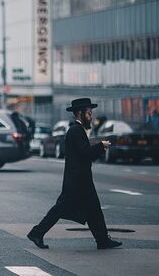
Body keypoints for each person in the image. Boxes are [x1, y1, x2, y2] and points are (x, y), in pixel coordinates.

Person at [27, 98, 122, 250]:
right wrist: (101, 146)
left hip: (80, 180)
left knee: (94, 210)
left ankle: (102, 240)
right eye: (89, 113)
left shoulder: (78, 130)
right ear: (80, 113)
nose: (91, 115)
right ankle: (37, 232)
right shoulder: (76, 130)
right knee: (61, 209)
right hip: (77, 182)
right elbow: (86, 154)